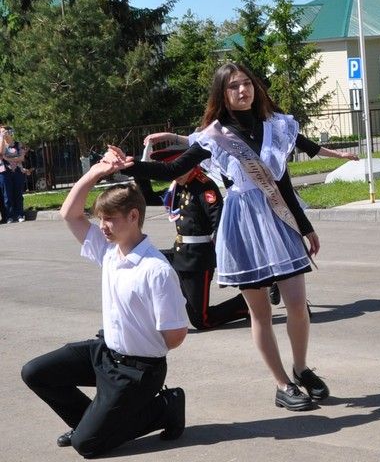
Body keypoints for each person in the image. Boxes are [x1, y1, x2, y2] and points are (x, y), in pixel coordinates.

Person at [109, 62, 358, 411]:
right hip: (241, 225)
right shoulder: (213, 135)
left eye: (247, 84)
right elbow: (173, 169)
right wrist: (129, 165)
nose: (243, 90)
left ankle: (300, 369)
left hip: (279, 221)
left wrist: (305, 226)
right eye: (234, 86)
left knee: (298, 306)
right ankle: (281, 384)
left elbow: (281, 183)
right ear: (222, 95)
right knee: (261, 315)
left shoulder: (276, 126)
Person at [21, 161, 188, 457]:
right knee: (35, 372)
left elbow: (175, 335)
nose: (102, 227)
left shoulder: (155, 270)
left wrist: (138, 338)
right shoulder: (110, 250)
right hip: (105, 353)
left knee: (87, 445)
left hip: (138, 371)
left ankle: (165, 407)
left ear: (133, 216)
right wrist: (96, 173)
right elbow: (69, 214)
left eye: (108, 219)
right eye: (100, 219)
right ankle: (93, 423)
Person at [149, 145, 251, 329]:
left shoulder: (204, 185)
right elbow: (151, 198)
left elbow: (218, 221)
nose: (175, 174)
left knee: (201, 320)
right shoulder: (179, 185)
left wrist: (224, 259)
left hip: (198, 258)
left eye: (179, 168)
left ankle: (246, 304)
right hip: (181, 254)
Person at [1, 125, 27, 223]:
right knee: (7, 195)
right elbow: (1, 154)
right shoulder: (2, 145)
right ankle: (9, 216)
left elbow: (22, 158)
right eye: (3, 133)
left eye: (6, 132)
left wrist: (8, 159)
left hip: (18, 171)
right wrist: (2, 139)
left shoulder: (18, 144)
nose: (4, 134)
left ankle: (20, 214)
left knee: (18, 194)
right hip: (6, 171)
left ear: (11, 133)